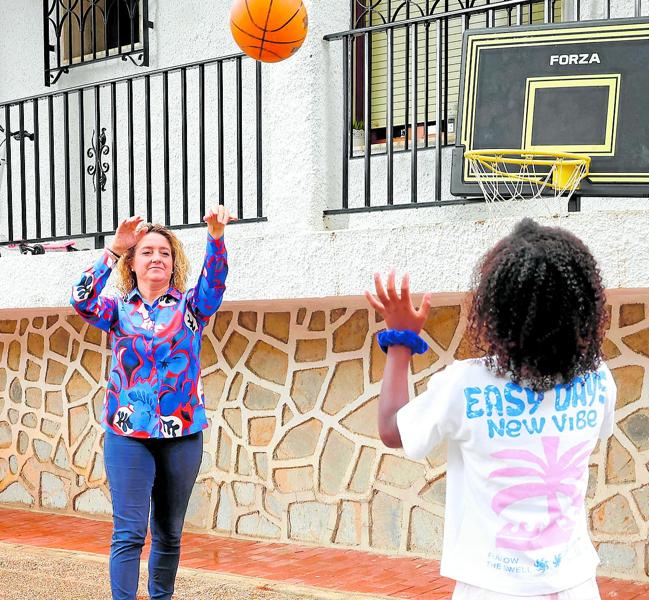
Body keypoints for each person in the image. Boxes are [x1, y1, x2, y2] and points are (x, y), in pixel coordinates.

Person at [365, 219, 615, 600]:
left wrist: (401, 341)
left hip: (491, 588)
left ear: (494, 309)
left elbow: (391, 429)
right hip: (576, 585)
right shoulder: (598, 380)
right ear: (584, 307)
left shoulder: (465, 384)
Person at [70, 206, 233, 600]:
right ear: (133, 263)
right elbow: (81, 298)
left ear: (173, 263)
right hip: (128, 434)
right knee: (128, 532)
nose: (156, 258)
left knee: (169, 532)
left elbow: (215, 283)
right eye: (146, 252)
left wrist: (215, 238)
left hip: (182, 432)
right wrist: (113, 249)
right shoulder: (117, 310)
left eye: (164, 252)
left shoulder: (191, 307)